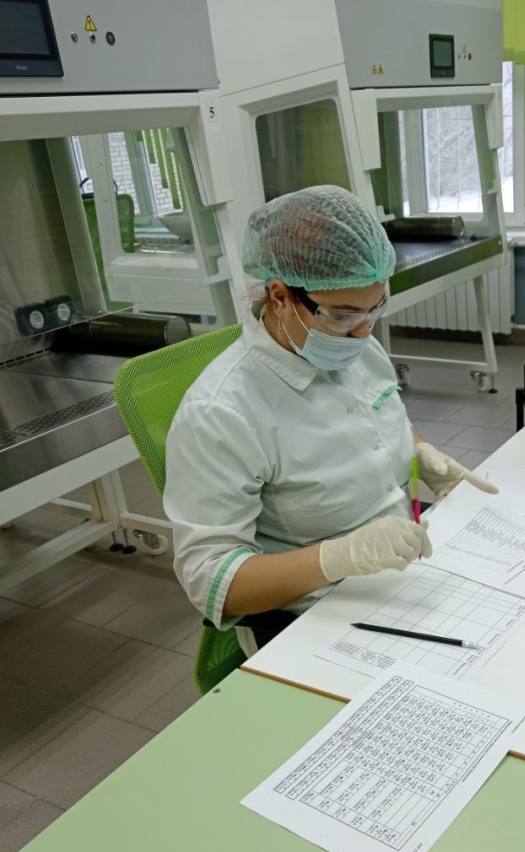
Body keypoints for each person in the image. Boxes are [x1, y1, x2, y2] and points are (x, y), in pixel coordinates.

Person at [164, 185, 497, 654]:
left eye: (375, 309)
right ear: (280, 296)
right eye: (343, 316)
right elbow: (211, 582)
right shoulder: (221, 413)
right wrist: (338, 557)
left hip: (403, 575)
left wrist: (420, 451)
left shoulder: (354, 348)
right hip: (320, 615)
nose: (363, 332)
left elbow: (372, 420)